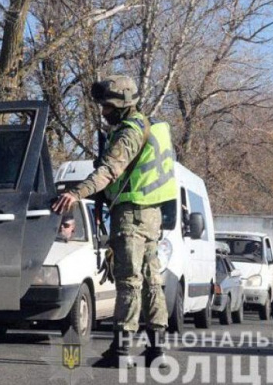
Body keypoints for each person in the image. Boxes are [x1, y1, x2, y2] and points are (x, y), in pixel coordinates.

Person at [52, 75, 177, 368]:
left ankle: (121, 351)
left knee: (129, 281)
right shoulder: (153, 126)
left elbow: (109, 170)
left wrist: (76, 192)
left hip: (132, 214)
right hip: (151, 213)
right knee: (151, 280)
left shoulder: (129, 132)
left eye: (107, 106)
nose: (103, 112)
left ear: (123, 105)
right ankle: (156, 348)